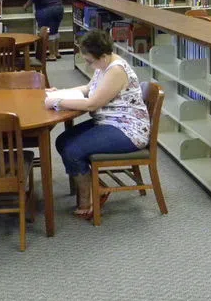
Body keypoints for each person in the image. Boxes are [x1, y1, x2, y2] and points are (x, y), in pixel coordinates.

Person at [46, 29, 150, 220]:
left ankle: (90, 196)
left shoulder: (116, 71)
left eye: (90, 61)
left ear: (102, 56)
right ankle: (95, 186)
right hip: (109, 122)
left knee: (72, 150)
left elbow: (92, 103)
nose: (89, 66)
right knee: (62, 141)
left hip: (128, 130)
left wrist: (57, 102)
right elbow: (88, 89)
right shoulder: (104, 66)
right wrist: (58, 93)